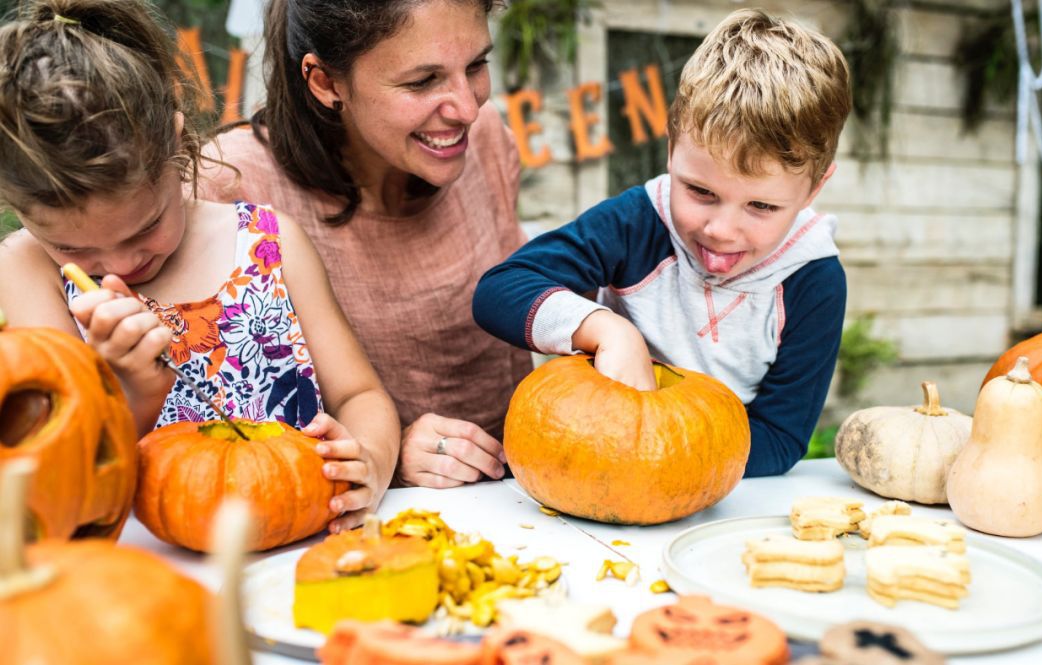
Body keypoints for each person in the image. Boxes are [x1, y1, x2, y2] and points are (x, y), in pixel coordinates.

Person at [0, 0, 400, 533]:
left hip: (301, 543)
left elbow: (359, 394)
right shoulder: (27, 272)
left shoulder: (268, 242)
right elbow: (57, 476)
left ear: (179, 145)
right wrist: (131, 390)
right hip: (143, 573)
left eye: (144, 227)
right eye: (73, 249)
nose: (119, 264)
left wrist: (369, 457)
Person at [473, 9, 853, 477]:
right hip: (593, 460)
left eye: (761, 207)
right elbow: (501, 289)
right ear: (671, 149)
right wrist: (608, 329)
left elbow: (780, 437)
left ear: (814, 189)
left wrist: (659, 458)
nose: (721, 229)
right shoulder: (637, 222)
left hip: (710, 493)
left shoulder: (814, 280)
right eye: (701, 191)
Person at [198, 0, 532, 489]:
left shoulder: (487, 138)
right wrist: (383, 454)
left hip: (524, 507)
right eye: (422, 81)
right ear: (326, 82)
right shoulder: (229, 184)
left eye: (477, 65)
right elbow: (204, 434)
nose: (467, 107)